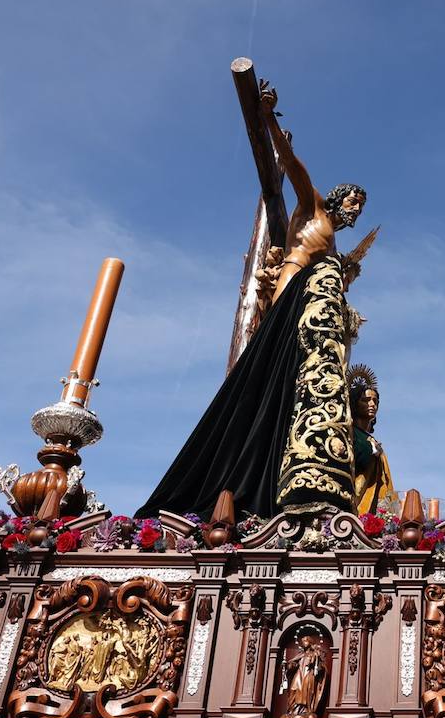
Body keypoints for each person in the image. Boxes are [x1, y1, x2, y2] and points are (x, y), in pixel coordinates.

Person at [137, 83, 364, 519]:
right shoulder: (314, 209)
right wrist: (268, 119)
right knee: (266, 368)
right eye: (354, 200)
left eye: (359, 206)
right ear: (337, 197)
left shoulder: (334, 250)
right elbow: (293, 165)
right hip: (290, 290)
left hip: (311, 303)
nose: (355, 210)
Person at [349, 364, 394, 515]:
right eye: (365, 400)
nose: (372, 404)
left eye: (375, 401)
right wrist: (372, 450)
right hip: (355, 500)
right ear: (354, 403)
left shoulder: (370, 438)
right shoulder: (350, 432)